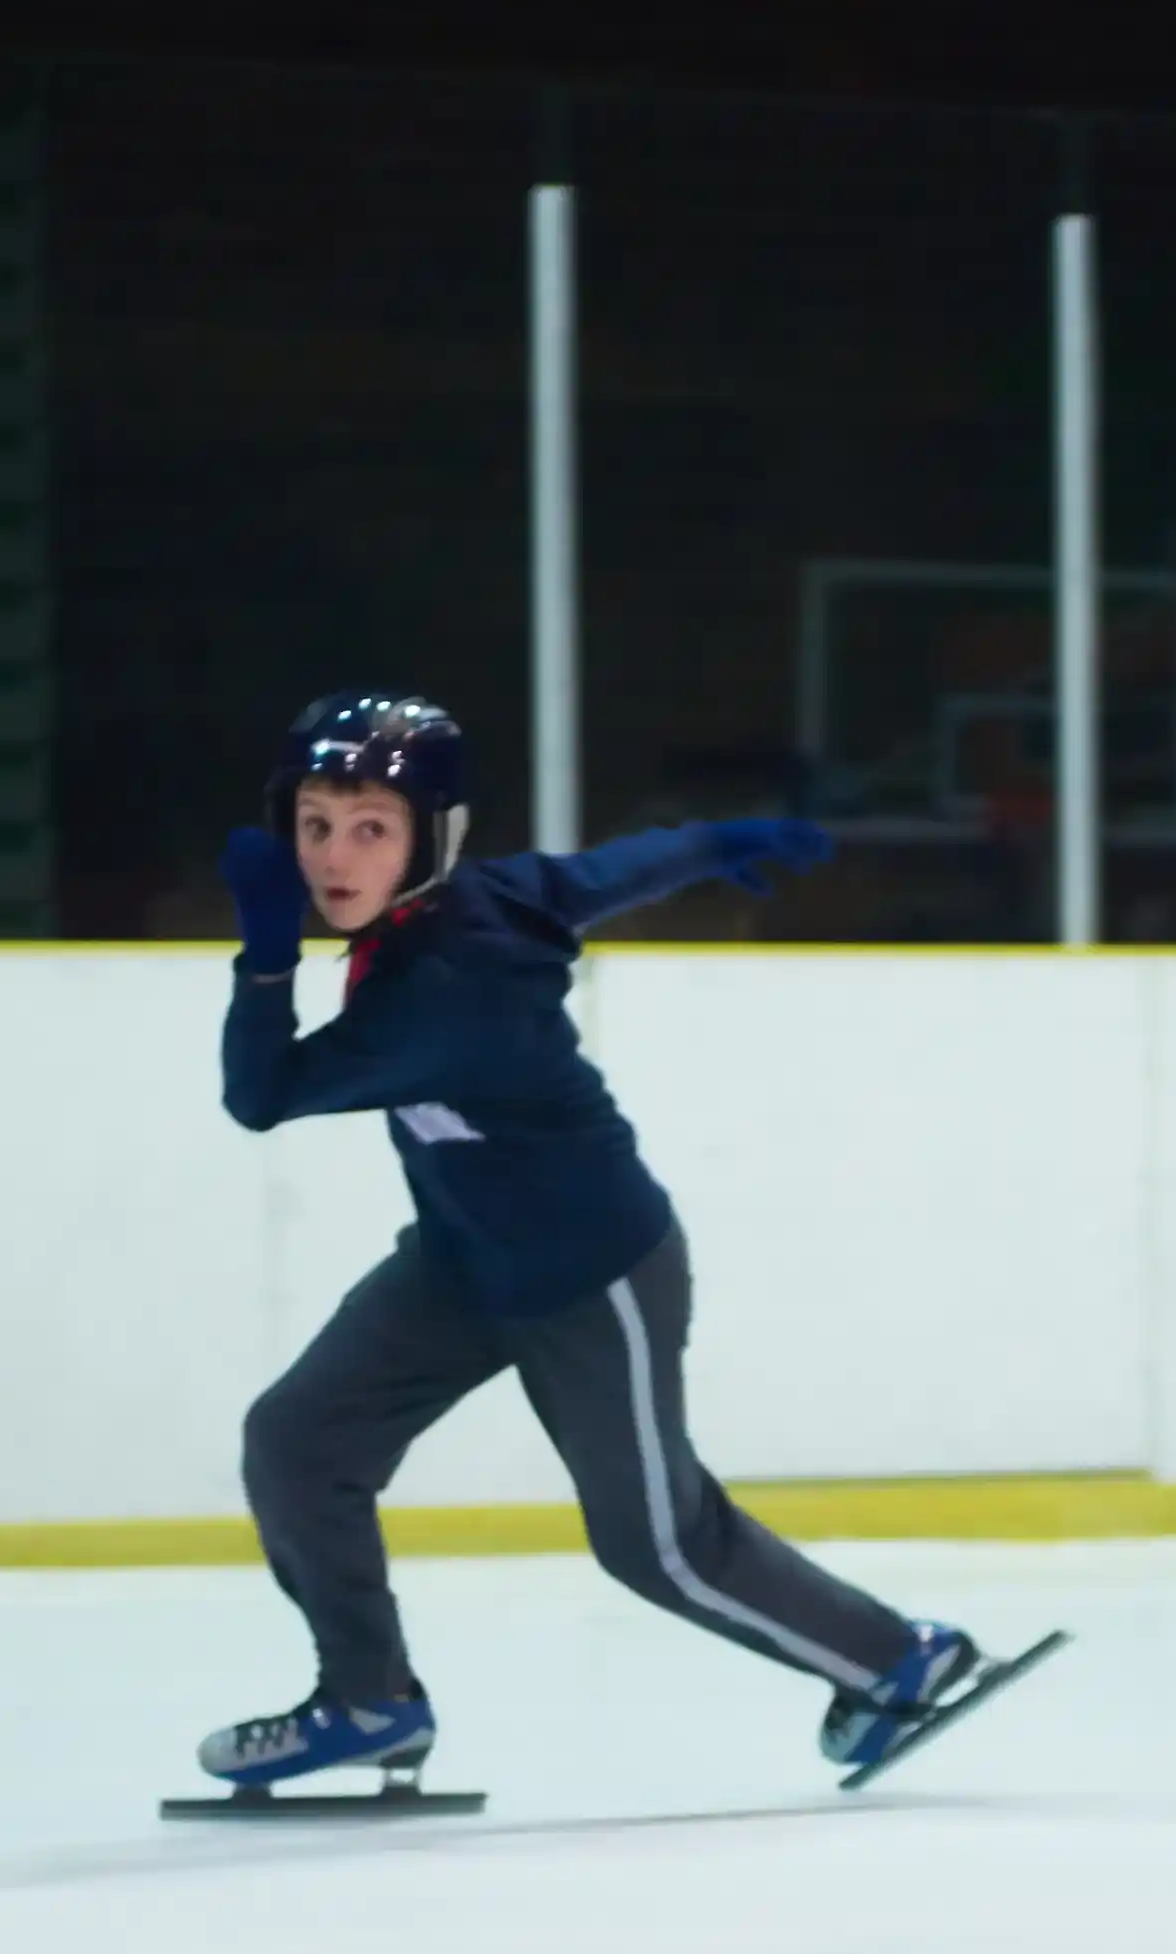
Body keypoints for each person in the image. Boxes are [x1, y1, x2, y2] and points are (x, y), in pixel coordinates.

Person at [199, 692, 990, 1794]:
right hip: (463, 1258)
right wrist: (717, 842)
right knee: (297, 1441)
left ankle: (896, 1658)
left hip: (589, 1272)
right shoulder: (485, 899)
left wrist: (266, 961)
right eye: (315, 824)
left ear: (430, 835)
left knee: (654, 1543)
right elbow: (602, 873)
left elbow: (259, 1094)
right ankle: (368, 1697)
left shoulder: (443, 991)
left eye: (370, 828)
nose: (335, 857)